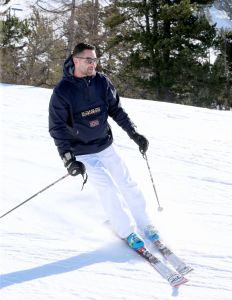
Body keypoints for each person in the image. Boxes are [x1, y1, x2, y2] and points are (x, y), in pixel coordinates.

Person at [49, 42, 159, 250]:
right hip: (83, 153)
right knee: (108, 189)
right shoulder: (62, 92)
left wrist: (134, 133)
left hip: (105, 145)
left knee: (126, 182)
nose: (93, 64)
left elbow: (116, 110)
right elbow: (57, 129)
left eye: (95, 60)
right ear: (76, 60)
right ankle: (127, 232)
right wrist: (68, 160)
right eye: (89, 60)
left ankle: (146, 223)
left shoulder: (101, 82)